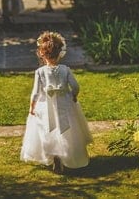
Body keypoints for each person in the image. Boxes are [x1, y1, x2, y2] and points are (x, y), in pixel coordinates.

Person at [20, 31, 92, 173]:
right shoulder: (66, 70)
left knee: (48, 129)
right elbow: (76, 86)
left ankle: (54, 156)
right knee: (66, 129)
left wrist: (32, 107)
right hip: (64, 103)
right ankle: (67, 155)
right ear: (60, 53)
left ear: (41, 54)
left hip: (46, 105)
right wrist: (73, 96)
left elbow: (35, 93)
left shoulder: (40, 72)